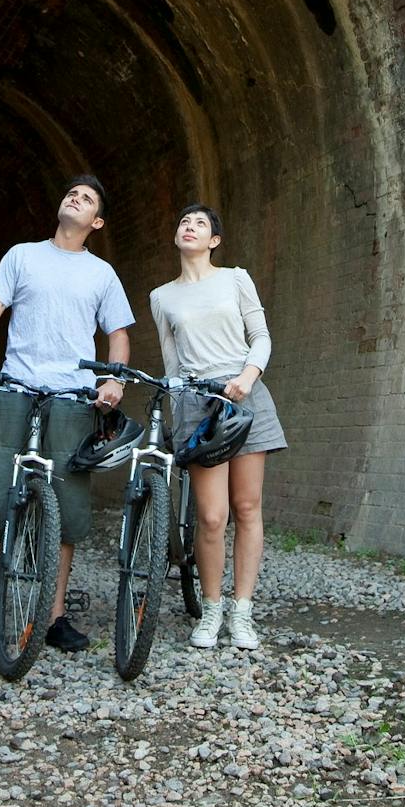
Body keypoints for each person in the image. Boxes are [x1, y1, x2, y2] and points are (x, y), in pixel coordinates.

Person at [0, 177, 132, 665]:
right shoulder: (21, 255)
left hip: (72, 397)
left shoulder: (101, 274)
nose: (75, 198)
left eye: (87, 199)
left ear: (96, 222)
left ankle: (53, 615)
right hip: (15, 387)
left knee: (66, 504)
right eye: (71, 193)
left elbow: (117, 332)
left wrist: (113, 380)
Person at [149, 203, 286, 651]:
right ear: (176, 236)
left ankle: (242, 611)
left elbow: (260, 336)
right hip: (197, 402)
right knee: (211, 517)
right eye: (184, 221)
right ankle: (211, 609)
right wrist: (176, 420)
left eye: (200, 224)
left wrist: (248, 377)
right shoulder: (161, 297)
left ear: (214, 241)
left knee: (247, 508)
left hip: (246, 399)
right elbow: (172, 365)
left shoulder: (235, 278)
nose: (189, 226)